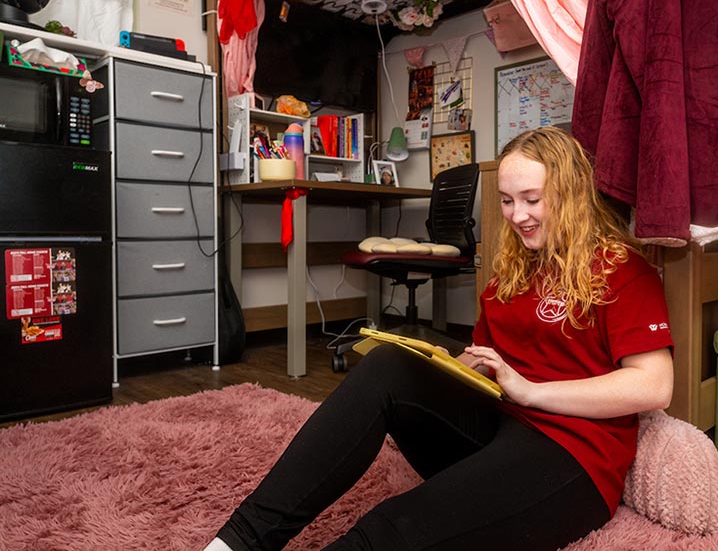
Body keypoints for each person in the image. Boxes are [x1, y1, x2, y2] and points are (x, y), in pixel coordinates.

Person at [204, 126, 674, 551]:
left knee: (393, 527)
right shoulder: (511, 271)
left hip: (571, 455)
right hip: (499, 424)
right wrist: (461, 369)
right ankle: (239, 542)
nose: (518, 215)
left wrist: (533, 391)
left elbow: (653, 386)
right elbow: (491, 361)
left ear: (570, 195)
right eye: (508, 201)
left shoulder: (621, 269)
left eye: (532, 199)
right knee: (388, 365)